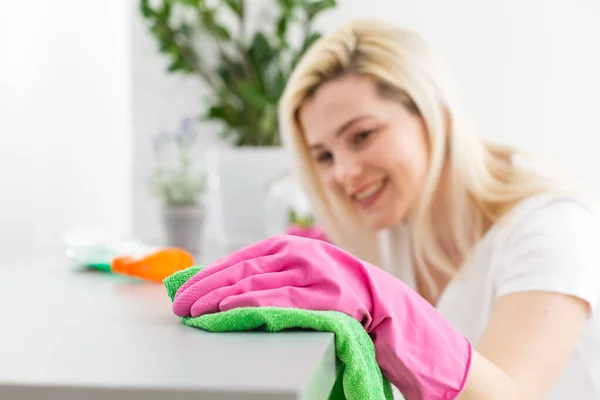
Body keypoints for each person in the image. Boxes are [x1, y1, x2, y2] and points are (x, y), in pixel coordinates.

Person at [172, 18, 600, 399]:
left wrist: (387, 305)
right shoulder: (390, 226)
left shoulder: (551, 228)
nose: (343, 173)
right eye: (323, 156)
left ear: (433, 114)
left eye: (361, 136)